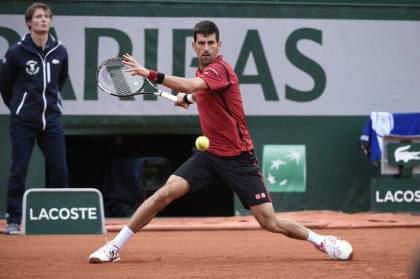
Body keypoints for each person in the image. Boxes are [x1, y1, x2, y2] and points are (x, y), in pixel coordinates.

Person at [88, 20, 353, 263]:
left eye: (211, 43)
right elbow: (198, 92)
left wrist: (152, 75)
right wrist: (188, 100)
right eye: (201, 43)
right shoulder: (203, 72)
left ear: (219, 45)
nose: (206, 48)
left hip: (239, 158)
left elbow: (194, 85)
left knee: (269, 221)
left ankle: (322, 241)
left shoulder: (221, 69)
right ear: (193, 46)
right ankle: (115, 247)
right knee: (164, 194)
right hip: (209, 155)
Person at [0, 2, 69, 235]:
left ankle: (60, 218)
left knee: (60, 170)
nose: (43, 20)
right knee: (18, 171)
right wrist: (19, 108)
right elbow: (5, 86)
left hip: (51, 121)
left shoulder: (60, 50)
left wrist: (52, 105)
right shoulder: (17, 51)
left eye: (46, 17)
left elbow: (61, 82)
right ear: (29, 22)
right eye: (38, 17)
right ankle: (13, 219)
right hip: (23, 122)